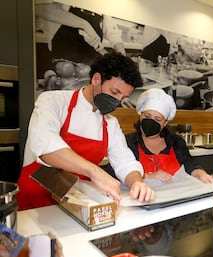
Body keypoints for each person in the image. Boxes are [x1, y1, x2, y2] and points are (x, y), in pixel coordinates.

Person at [17, 52, 154, 211]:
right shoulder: (53, 101)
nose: (117, 101)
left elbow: (125, 161)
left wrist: (137, 182)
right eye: (115, 92)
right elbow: (46, 147)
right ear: (96, 79)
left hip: (75, 203)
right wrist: (95, 172)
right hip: (36, 201)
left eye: (123, 97)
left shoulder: (110, 123)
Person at [125, 88, 213, 184]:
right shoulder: (128, 142)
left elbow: (190, 165)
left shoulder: (176, 142)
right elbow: (118, 171)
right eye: (147, 116)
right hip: (140, 196)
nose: (151, 122)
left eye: (157, 119)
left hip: (176, 195)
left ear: (165, 123)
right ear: (140, 115)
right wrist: (148, 176)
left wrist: (201, 174)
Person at [35, 2, 126, 76]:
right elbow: (39, 8)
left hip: (91, 63)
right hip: (64, 63)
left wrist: (123, 60)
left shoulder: (103, 4)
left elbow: (113, 33)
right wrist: (84, 25)